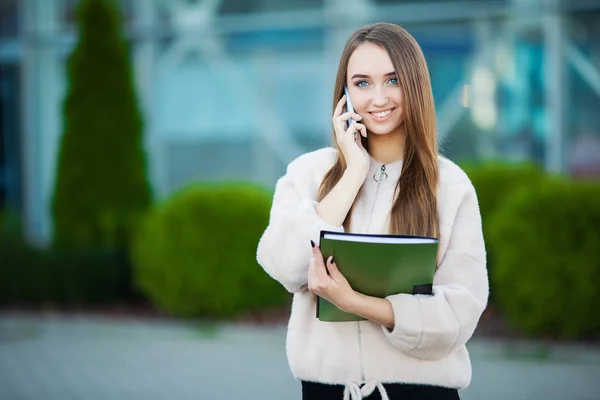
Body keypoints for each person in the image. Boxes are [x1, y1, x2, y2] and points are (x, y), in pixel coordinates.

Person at [256, 22, 488, 400]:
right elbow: (282, 263)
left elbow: (459, 313)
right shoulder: (309, 172)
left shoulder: (450, 184)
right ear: (344, 95)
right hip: (327, 390)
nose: (378, 98)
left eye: (392, 80)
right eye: (362, 83)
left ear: (414, 84)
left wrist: (360, 304)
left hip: (421, 390)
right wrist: (353, 173)